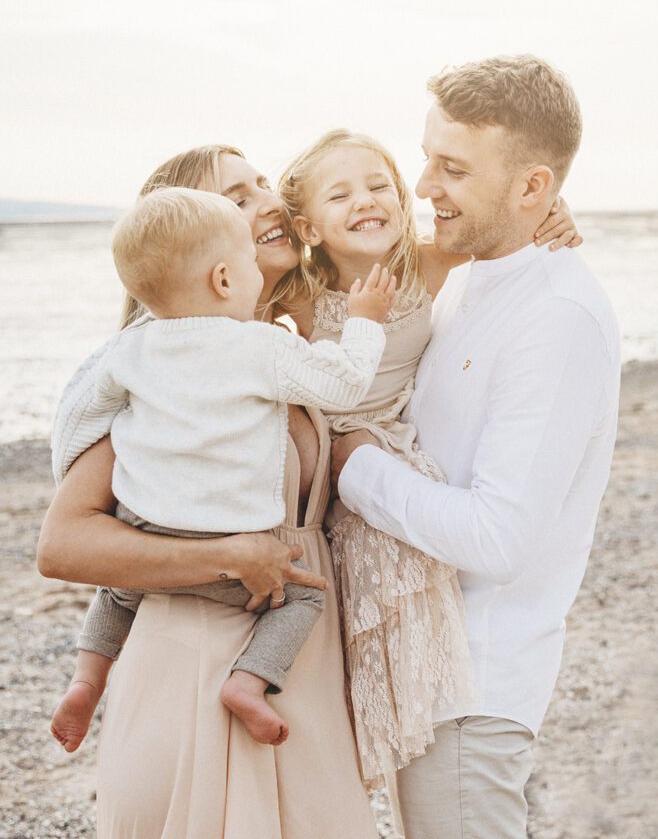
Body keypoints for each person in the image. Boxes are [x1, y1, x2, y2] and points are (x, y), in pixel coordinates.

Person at [38, 145, 380, 839]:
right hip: (193, 660)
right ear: (211, 259)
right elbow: (62, 544)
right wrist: (227, 557)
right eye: (238, 198)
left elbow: (408, 253)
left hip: (298, 664)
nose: (270, 202)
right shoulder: (158, 377)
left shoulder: (285, 339)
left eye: (264, 185)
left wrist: (532, 227)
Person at [332, 55, 621, 839]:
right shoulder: (466, 275)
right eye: (427, 158)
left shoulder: (556, 318)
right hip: (425, 673)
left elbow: (499, 538)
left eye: (451, 168)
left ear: (531, 187)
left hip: (475, 689)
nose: (421, 186)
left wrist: (350, 465)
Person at [273, 128, 580, 792]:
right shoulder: (296, 292)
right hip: (333, 462)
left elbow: (502, 226)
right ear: (308, 226)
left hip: (394, 455)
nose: (366, 200)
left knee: (412, 604)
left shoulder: (423, 263)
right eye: (341, 193)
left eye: (379, 184)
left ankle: (427, 736)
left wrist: (551, 214)